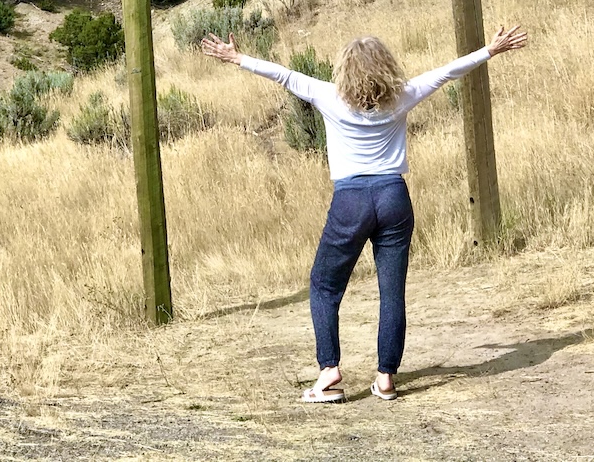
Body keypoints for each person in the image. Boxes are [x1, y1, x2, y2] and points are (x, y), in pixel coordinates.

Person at [201, 25, 527, 403]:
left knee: (324, 285)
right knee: (392, 292)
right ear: (386, 68)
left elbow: (283, 75)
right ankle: (386, 377)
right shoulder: (402, 96)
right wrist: (490, 50)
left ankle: (329, 372)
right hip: (393, 198)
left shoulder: (327, 96)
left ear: (344, 70)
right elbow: (446, 73)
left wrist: (237, 58)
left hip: (350, 201)